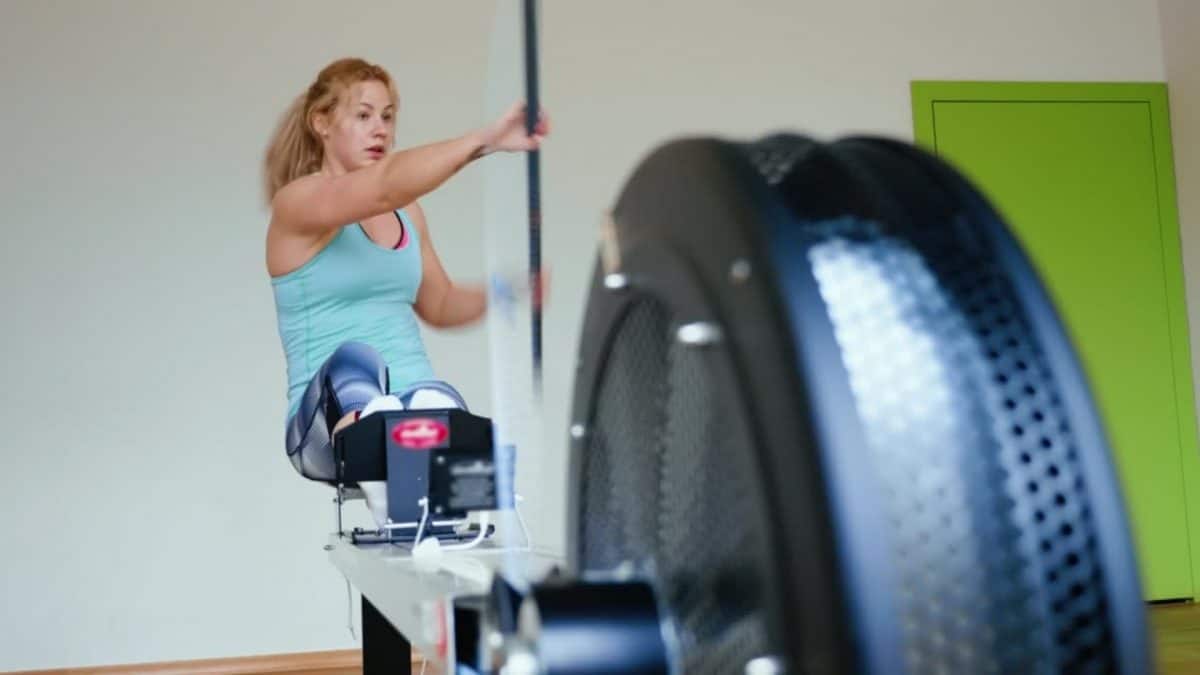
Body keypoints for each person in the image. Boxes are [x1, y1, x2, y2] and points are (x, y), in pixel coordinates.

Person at [262, 57, 549, 526]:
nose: (380, 129)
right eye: (363, 115)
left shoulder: (407, 215)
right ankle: (389, 483)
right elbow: (379, 190)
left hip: (409, 409)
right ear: (321, 123)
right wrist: (484, 140)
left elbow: (439, 303)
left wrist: (506, 291)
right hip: (324, 423)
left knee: (438, 400)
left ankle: (423, 486)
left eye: (388, 116)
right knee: (356, 364)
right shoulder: (298, 204)